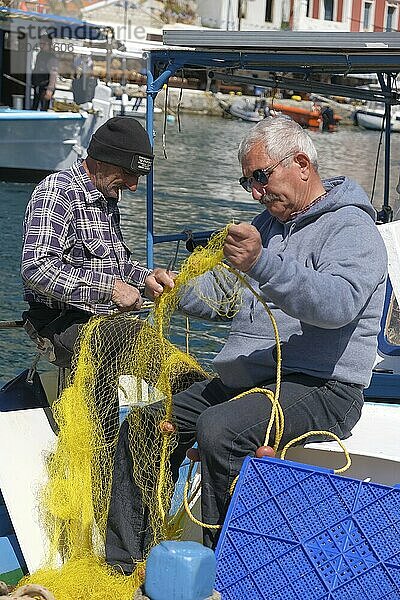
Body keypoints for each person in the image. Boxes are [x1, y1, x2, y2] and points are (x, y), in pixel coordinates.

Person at [105, 114, 388, 573]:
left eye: (260, 177)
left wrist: (262, 264)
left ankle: (222, 573)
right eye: (248, 182)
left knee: (221, 429)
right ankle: (124, 564)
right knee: (143, 424)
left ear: (300, 164)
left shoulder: (352, 228)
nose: (256, 192)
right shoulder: (268, 224)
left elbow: (337, 303)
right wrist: (175, 289)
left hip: (323, 388)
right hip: (251, 379)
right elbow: (224, 292)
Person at [21, 116, 174, 368]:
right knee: (143, 344)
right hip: (58, 323)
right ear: (100, 161)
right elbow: (36, 268)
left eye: (138, 176)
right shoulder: (57, 191)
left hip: (101, 322)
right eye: (128, 173)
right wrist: (112, 289)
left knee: (143, 344)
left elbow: (118, 266)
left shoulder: (107, 197)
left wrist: (146, 279)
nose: (133, 186)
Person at [31, 35, 58, 111]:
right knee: (34, 107)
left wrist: (50, 89)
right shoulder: (40, 54)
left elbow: (53, 74)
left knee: (44, 108)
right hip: (38, 85)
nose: (41, 46)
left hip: (45, 88)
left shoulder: (52, 57)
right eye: (40, 43)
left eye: (43, 44)